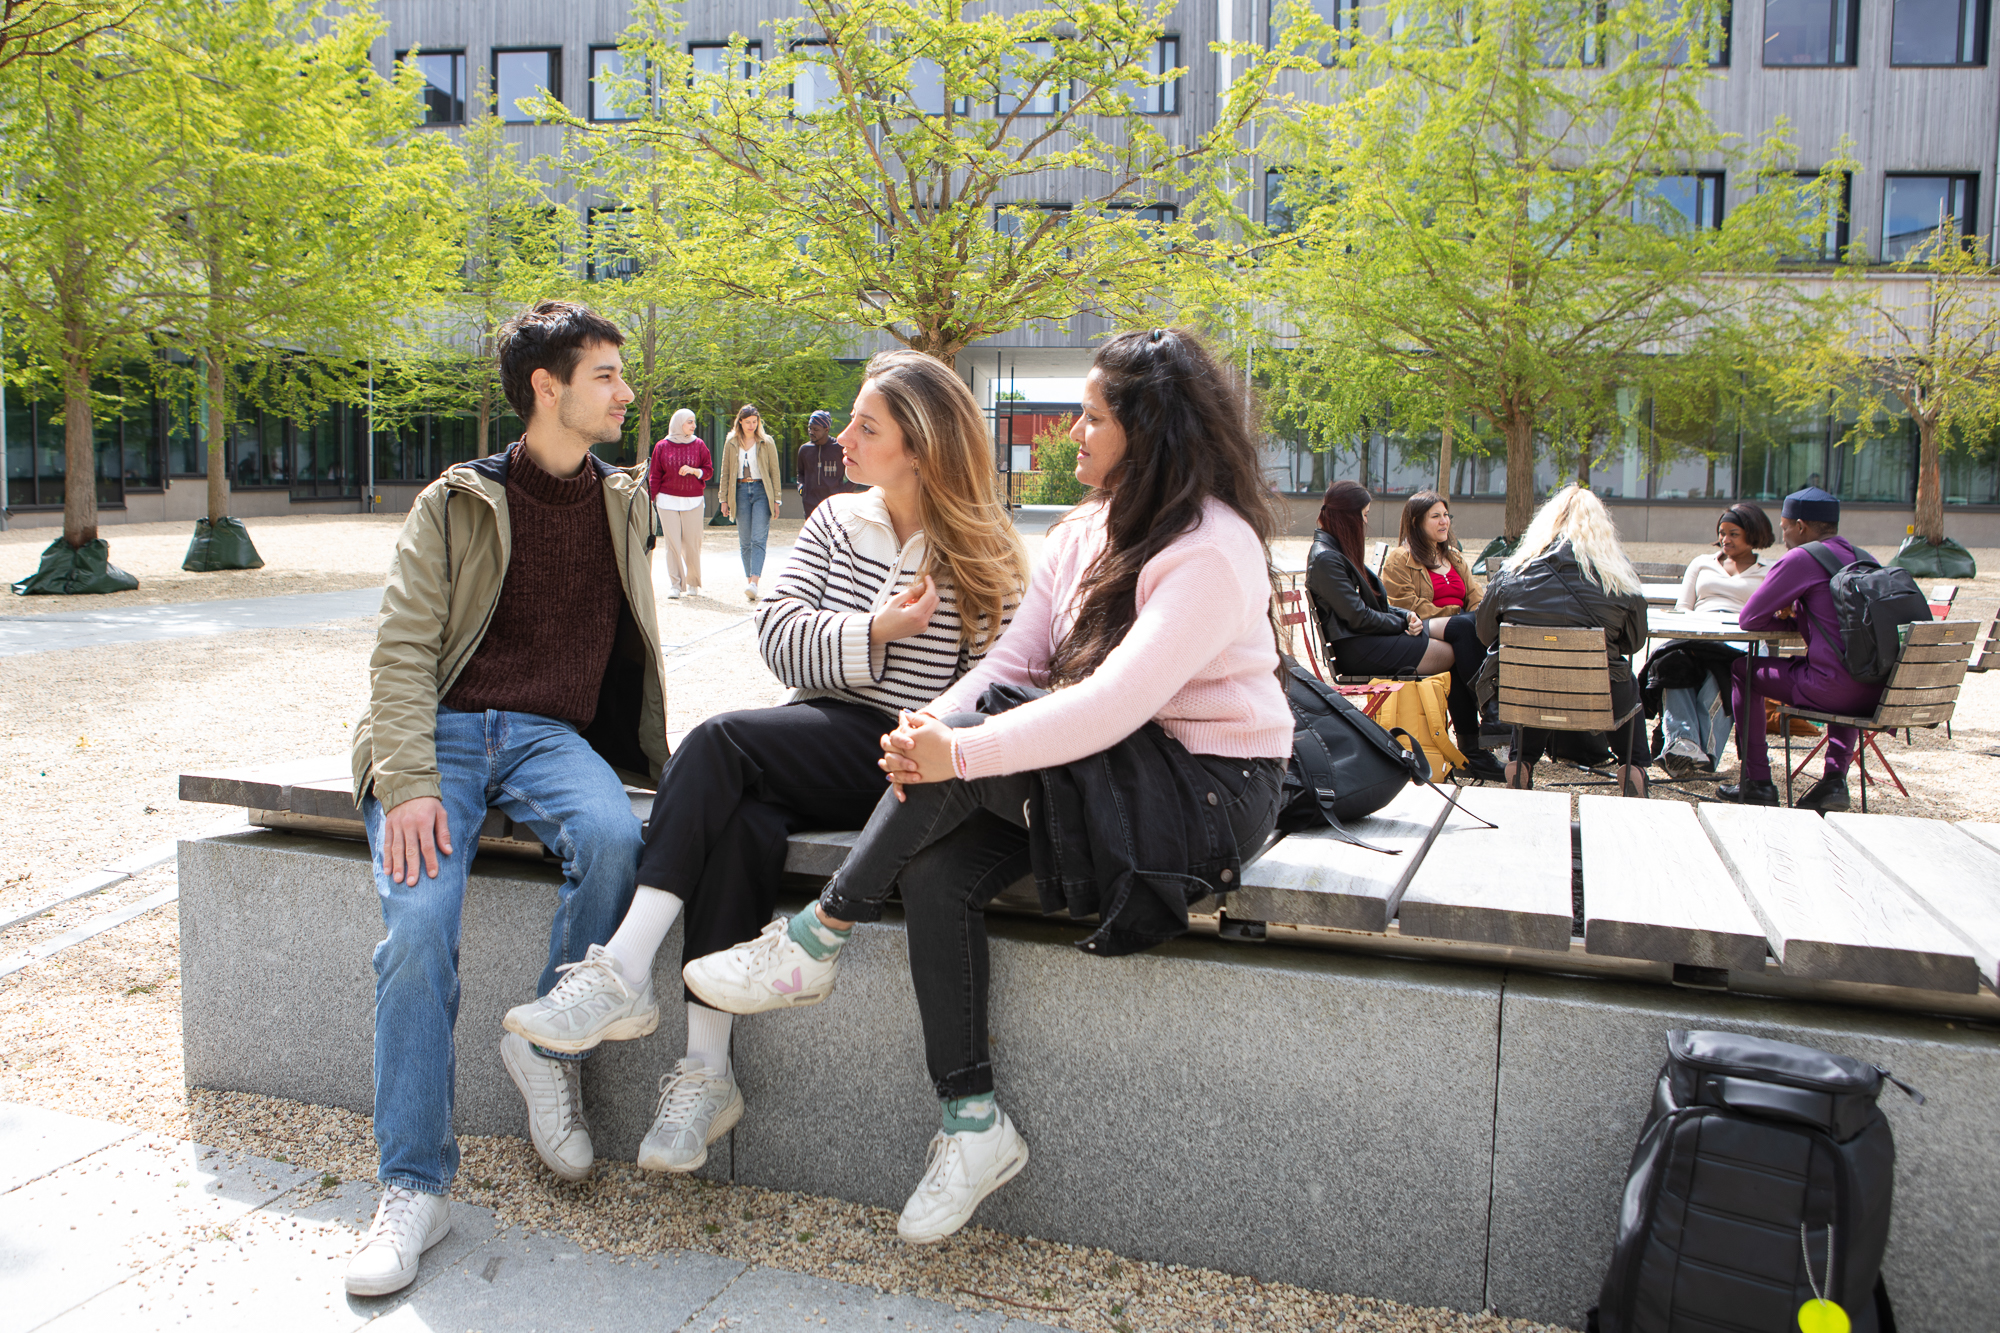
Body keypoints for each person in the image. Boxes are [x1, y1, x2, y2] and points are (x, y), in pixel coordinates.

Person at [681, 328, 1292, 1245]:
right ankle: (972, 1124)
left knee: (970, 742)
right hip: (1104, 772)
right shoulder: (1085, 528)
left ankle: (818, 935)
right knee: (938, 868)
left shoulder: (1210, 547)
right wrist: (926, 730)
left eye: (1091, 418)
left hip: (1202, 790)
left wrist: (958, 751)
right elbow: (1015, 661)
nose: (1072, 435)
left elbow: (1117, 702)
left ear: (1151, 429)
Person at [497, 350, 1029, 1180]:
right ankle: (707, 1071)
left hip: (908, 761)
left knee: (715, 743)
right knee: (740, 816)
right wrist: (876, 633)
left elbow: (1000, 681)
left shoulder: (983, 547)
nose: (842, 436)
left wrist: (917, 710)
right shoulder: (834, 522)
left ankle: (624, 969)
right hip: (823, 731)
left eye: (867, 426)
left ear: (920, 445)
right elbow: (778, 638)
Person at [343, 301, 666, 1297]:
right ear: (547, 386)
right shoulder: (455, 500)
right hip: (439, 730)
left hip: (547, 738)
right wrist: (401, 781)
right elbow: (400, 649)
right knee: (419, 927)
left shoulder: (624, 500)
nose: (622, 390)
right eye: (605, 374)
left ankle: (543, 1047)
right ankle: (411, 1184)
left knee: (616, 836)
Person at [1307, 481, 1505, 781]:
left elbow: (1376, 605)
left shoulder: (1336, 552)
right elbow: (1359, 617)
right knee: (1459, 643)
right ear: (1347, 516)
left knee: (1463, 633)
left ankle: (1479, 737)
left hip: (1368, 642)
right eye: (1363, 514)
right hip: (1358, 650)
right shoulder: (1326, 557)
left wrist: (1405, 615)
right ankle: (1482, 731)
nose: (1366, 521)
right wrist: (1403, 622)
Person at [1475, 484, 1651, 798]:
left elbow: (1486, 634)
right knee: (1624, 681)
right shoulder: (1620, 579)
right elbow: (1634, 642)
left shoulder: (1511, 574)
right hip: (1601, 692)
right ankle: (1632, 767)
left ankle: (1521, 762)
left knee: (1535, 677)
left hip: (1528, 690)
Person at [1718, 487, 1879, 812]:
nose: (1784, 534)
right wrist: (1801, 615)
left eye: (1785, 526)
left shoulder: (1802, 558)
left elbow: (1749, 618)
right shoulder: (1864, 558)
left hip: (1831, 688)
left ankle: (1758, 781)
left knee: (1743, 670)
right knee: (1846, 669)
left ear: (1802, 526)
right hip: (1874, 691)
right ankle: (1834, 779)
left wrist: (1786, 614)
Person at [1377, 490, 1505, 781]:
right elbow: (1404, 604)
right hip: (1416, 634)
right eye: (1435, 516)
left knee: (1462, 648)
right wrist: (1456, 614)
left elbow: (1477, 599)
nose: (1444, 521)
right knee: (1462, 628)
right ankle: (1490, 710)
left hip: (1456, 635)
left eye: (1446, 515)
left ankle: (1472, 751)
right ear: (1416, 521)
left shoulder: (1454, 557)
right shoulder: (1400, 559)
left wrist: (1473, 616)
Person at [1643, 503, 1773, 779]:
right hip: (1696, 636)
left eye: (1734, 534)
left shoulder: (1769, 571)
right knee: (1670, 665)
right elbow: (1683, 609)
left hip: (1739, 643)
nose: (1725, 540)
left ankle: (1700, 752)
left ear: (1753, 533)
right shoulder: (1702, 563)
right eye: (1722, 533)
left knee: (1724, 675)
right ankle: (1683, 744)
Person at [718, 404, 781, 601]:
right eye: (748, 422)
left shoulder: (766, 442)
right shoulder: (731, 442)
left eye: (755, 422)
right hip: (740, 491)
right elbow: (725, 471)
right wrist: (723, 499)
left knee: (758, 538)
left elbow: (774, 472)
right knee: (745, 540)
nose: (752, 425)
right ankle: (749, 582)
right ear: (740, 422)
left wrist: (777, 499)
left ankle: (754, 581)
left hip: (762, 491)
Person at [648, 409, 712, 600]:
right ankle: (675, 584)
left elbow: (708, 471)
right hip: (666, 501)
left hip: (693, 501)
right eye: (689, 422)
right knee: (672, 544)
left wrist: (694, 471)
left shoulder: (699, 445)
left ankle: (693, 582)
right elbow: (655, 475)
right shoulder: (661, 446)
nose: (693, 426)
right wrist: (651, 499)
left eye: (694, 422)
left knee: (692, 544)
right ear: (678, 423)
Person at [796, 408, 853, 519]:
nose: (811, 432)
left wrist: (844, 491)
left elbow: (856, 469)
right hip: (810, 504)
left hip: (834, 504)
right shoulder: (804, 450)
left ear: (826, 429)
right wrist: (801, 488)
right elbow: (800, 473)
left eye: (816, 429)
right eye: (810, 428)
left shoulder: (839, 449)